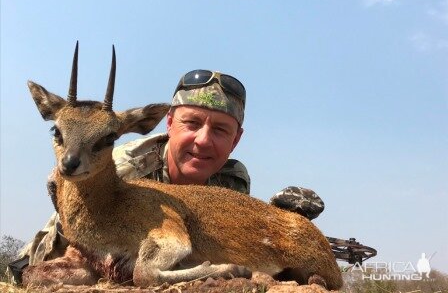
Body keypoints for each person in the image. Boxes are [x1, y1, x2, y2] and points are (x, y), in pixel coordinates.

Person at [8, 69, 324, 283]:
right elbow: (62, 239)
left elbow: (233, 238)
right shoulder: (117, 165)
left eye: (219, 129)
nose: (203, 140)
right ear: (167, 123)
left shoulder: (234, 178)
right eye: (193, 123)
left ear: (236, 139)